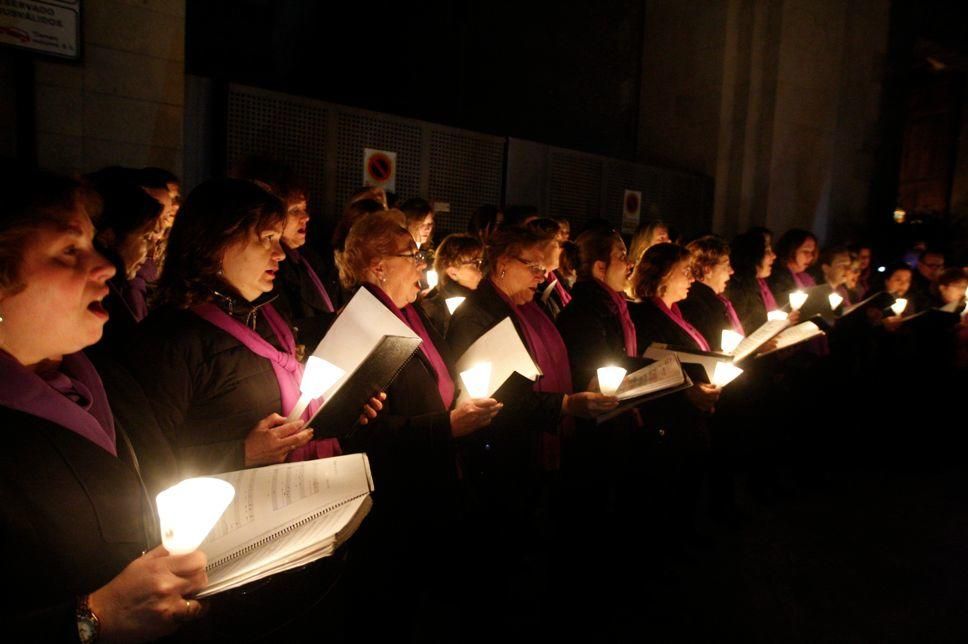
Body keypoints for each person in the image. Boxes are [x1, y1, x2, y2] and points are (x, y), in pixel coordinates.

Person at [0, 168, 207, 642]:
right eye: (70, 250)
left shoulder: (104, 371)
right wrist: (93, 618)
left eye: (94, 243)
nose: (107, 266)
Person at [335, 209, 501, 639]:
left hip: (435, 478)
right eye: (412, 254)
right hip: (397, 496)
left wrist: (463, 394)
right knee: (395, 605)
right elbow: (363, 431)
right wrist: (447, 426)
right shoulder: (360, 323)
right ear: (377, 267)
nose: (422, 264)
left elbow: (437, 370)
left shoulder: (412, 311)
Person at [125, 178, 359, 478]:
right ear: (217, 241)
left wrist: (349, 408)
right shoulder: (168, 340)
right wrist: (243, 454)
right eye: (267, 238)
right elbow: (147, 460)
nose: (281, 254)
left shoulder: (265, 315)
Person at [679, 235, 743, 350]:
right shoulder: (696, 306)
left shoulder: (716, 301)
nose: (731, 271)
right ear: (707, 270)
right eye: (726, 265)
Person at [419, 233, 484, 336]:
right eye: (475, 264)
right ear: (453, 272)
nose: (481, 271)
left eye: (482, 262)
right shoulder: (431, 311)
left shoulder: (480, 300)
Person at [768, 228, 818, 304]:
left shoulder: (806, 277)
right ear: (791, 250)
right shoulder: (778, 278)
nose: (810, 257)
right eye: (806, 251)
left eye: (812, 252)